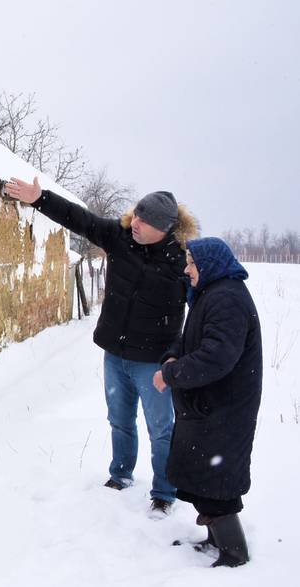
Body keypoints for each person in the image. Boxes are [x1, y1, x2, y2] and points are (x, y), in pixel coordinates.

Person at [5, 176, 197, 517]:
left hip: (154, 362)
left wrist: (182, 356)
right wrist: (40, 198)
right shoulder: (121, 238)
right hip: (116, 355)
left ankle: (165, 492)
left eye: (144, 221)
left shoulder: (182, 262)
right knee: (120, 421)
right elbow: (79, 218)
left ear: (165, 228)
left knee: (161, 429)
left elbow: (203, 308)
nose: (135, 223)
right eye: (136, 215)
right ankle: (120, 475)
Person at [153, 237, 262, 567]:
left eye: (191, 263)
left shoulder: (227, 299)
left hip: (224, 410)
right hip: (208, 408)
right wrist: (172, 357)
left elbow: (216, 358)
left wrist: (170, 376)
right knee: (206, 478)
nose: (187, 269)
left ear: (210, 265)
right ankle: (215, 540)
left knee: (219, 482)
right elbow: (189, 341)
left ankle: (234, 554)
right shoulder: (211, 294)